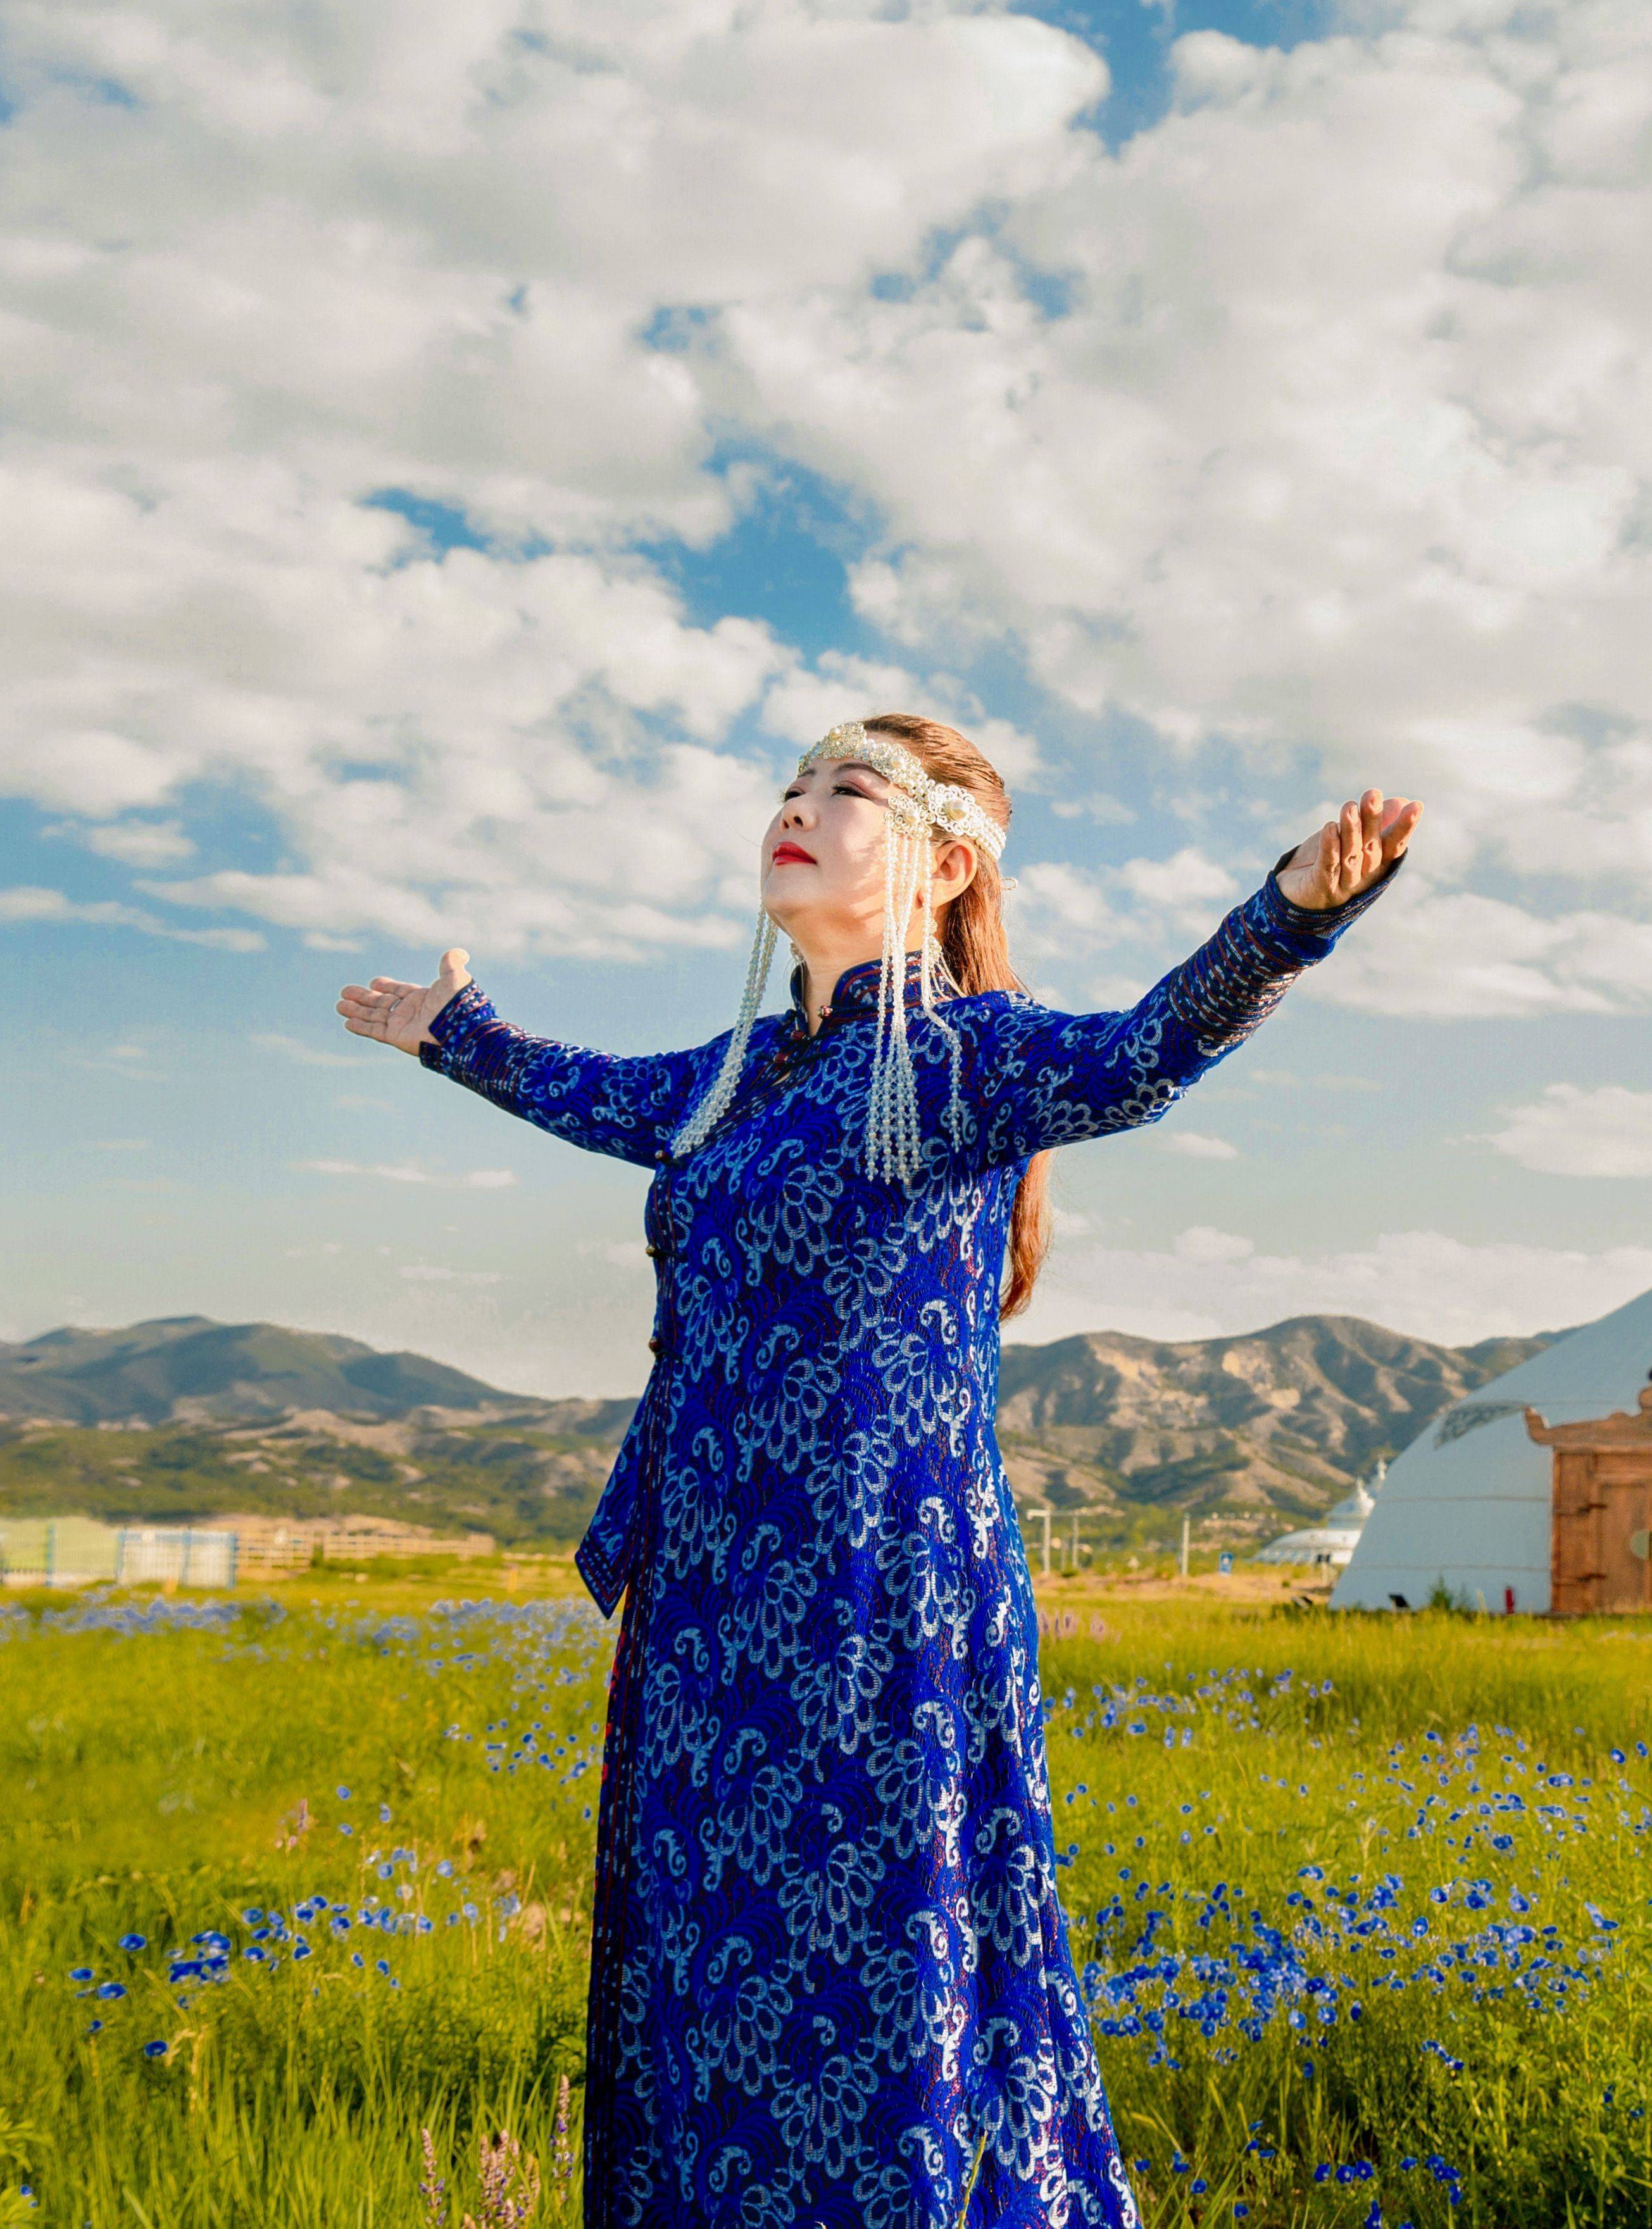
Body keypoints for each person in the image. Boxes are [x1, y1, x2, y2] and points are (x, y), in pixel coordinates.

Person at [335, 714, 1417, 2227]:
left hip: (873, 1593)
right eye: (789, 787)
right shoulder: (730, 1081)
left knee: (872, 1967)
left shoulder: (967, 1061)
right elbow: (580, 1089)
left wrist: (1288, 918)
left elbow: (1141, 1058)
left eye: (845, 791)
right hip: (708, 1609)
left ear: (944, 861)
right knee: (712, 1970)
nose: (796, 809)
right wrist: (449, 1031)